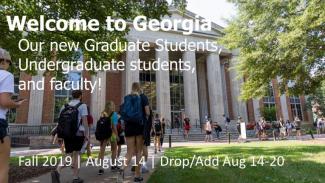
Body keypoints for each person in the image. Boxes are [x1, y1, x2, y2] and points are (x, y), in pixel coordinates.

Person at [51, 90, 89, 183]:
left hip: (67, 134)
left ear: (72, 96)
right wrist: (87, 134)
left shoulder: (64, 106)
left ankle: (57, 170)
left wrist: (59, 134)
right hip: (78, 134)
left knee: (68, 154)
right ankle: (75, 178)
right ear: (80, 96)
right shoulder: (82, 106)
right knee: (76, 155)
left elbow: (60, 122)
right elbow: (84, 121)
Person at [0, 49, 26, 183]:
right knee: (2, 168)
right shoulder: (5, 75)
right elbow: (4, 101)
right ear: (4, 61)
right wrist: (17, 104)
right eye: (8, 61)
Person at [121, 82, 150, 183]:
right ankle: (137, 175)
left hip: (129, 126)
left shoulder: (127, 97)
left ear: (132, 88)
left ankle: (122, 170)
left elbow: (124, 112)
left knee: (129, 151)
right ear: (139, 88)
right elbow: (147, 112)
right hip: (139, 126)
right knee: (139, 152)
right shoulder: (142, 97)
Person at [96, 101, 119, 175]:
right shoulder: (114, 114)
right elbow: (114, 126)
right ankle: (113, 165)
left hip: (103, 134)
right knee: (114, 149)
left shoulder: (103, 113)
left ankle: (100, 168)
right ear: (112, 106)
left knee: (102, 150)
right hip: (111, 134)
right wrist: (117, 135)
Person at [142, 106, 153, 173]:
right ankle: (143, 166)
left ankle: (139, 165)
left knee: (141, 151)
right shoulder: (144, 117)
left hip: (144, 134)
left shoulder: (148, 117)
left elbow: (150, 126)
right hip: (143, 134)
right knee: (144, 151)